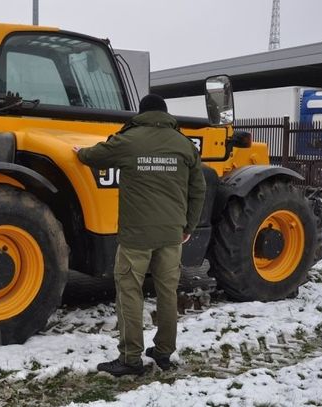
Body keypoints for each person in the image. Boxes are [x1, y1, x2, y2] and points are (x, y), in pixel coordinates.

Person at [73, 94, 206, 376]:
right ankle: (164, 352)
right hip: (172, 235)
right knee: (168, 293)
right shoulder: (184, 144)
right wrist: (188, 227)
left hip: (136, 236)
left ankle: (130, 359)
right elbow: (198, 190)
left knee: (130, 293)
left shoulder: (129, 140)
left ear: (142, 113)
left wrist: (77, 152)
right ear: (166, 114)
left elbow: (91, 156)